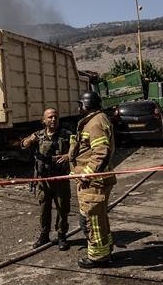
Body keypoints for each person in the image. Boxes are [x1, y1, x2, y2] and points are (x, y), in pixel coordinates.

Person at [68, 91, 116, 268]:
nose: (78, 107)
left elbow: (101, 152)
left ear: (86, 105)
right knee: (99, 218)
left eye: (80, 104)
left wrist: (86, 174)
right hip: (95, 181)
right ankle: (105, 249)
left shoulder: (95, 124)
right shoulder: (96, 120)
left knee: (92, 220)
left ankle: (98, 257)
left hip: (93, 183)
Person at [20, 108, 72, 251]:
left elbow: (78, 149)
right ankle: (44, 236)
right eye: (50, 117)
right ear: (44, 120)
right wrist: (30, 140)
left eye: (55, 117)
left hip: (61, 179)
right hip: (44, 180)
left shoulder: (66, 135)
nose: (53, 120)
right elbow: (23, 145)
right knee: (44, 209)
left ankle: (62, 236)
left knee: (62, 209)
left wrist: (68, 156)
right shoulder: (38, 136)